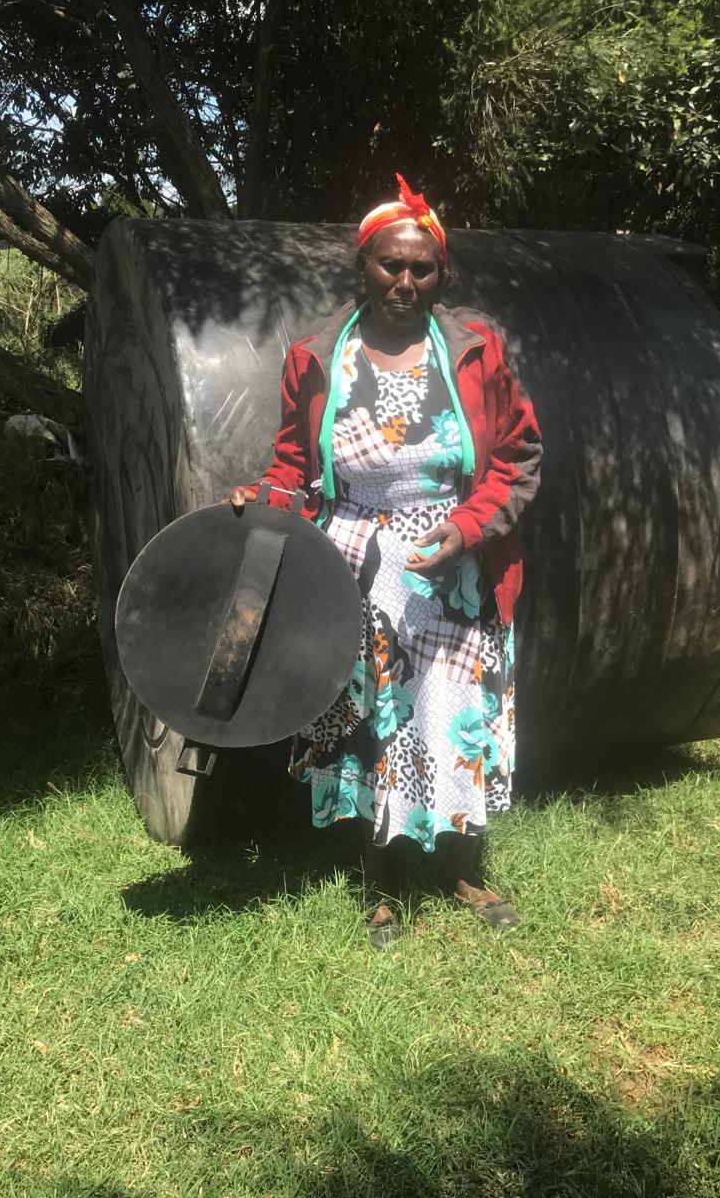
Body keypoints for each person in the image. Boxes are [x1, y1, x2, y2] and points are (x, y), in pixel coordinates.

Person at [231, 175, 542, 947]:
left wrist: (470, 528)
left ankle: (462, 867)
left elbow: (517, 456)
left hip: (455, 566)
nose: (406, 281)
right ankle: (379, 885)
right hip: (356, 564)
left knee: (450, 716)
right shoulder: (315, 355)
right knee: (375, 718)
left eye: (422, 268)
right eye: (390, 265)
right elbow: (294, 466)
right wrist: (266, 499)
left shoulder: (473, 350)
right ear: (361, 263)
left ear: (442, 275)